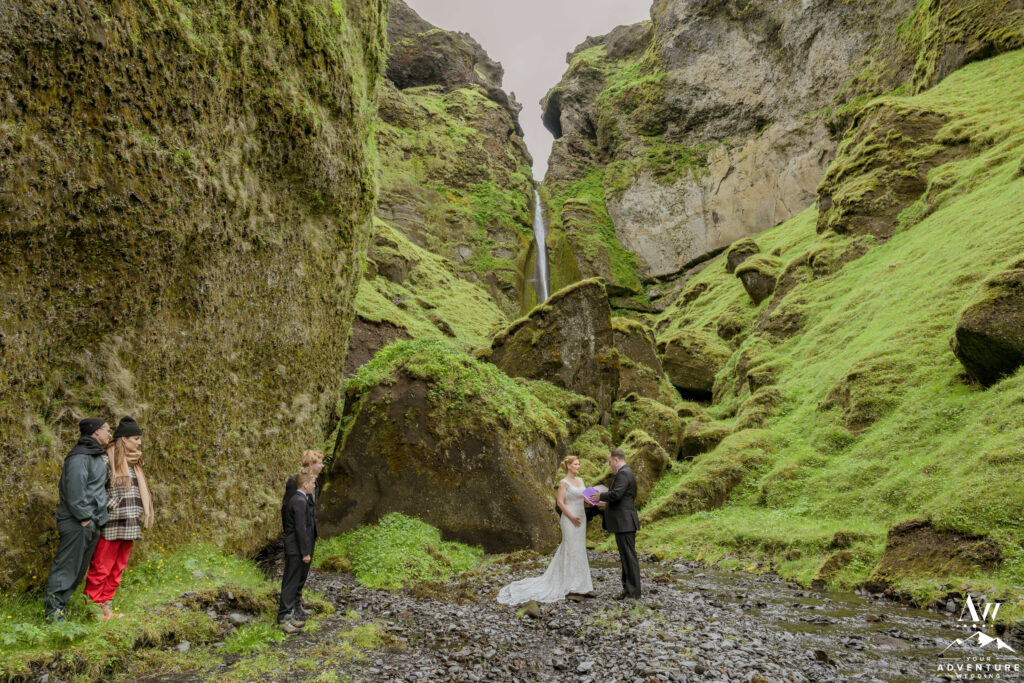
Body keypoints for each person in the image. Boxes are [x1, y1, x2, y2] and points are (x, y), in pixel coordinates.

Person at [497, 456, 594, 605]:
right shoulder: (564, 483)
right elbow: (560, 503)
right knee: (570, 548)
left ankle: (583, 585)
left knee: (579, 549)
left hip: (581, 518)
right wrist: (572, 517)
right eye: (576, 464)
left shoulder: (580, 481)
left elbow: (587, 498)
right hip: (569, 519)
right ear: (568, 466)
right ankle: (570, 585)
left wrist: (601, 501)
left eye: (579, 464)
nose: (578, 466)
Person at [84, 416, 154, 621]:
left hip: (130, 521)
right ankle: (91, 610)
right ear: (123, 439)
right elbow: (94, 490)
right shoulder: (107, 459)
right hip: (112, 521)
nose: (139, 442)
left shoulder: (135, 462)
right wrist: (113, 504)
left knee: (117, 568)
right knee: (101, 567)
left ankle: (107, 607)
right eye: (135, 438)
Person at [43, 418, 112, 622]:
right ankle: (53, 615)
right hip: (78, 522)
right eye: (107, 431)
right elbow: (74, 491)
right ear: (96, 432)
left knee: (78, 569)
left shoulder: (95, 456)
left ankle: (60, 608)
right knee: (66, 567)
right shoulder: (79, 457)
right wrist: (84, 518)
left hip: (91, 522)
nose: (110, 434)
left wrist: (95, 520)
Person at [589, 449, 641, 599]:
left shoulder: (624, 473)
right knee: (625, 557)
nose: (610, 465)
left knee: (629, 557)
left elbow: (616, 494)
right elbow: (621, 498)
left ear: (616, 460)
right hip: (623, 522)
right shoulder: (625, 473)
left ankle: (633, 592)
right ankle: (628, 589)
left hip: (625, 522)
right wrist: (602, 502)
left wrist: (599, 495)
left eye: (610, 462)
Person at [280, 449, 322, 619]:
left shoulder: (315, 483)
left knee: (304, 572)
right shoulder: (294, 482)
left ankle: (297, 605)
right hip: (297, 534)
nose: (322, 465)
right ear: (311, 464)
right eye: (319, 462)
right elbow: (288, 509)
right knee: (295, 572)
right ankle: (289, 610)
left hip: (310, 533)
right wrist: (290, 534)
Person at [278, 472, 317, 633]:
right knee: (291, 582)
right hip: (295, 548)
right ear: (305, 485)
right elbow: (301, 529)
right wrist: (305, 552)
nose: (314, 485)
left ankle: (290, 615)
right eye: (313, 483)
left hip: (294, 547)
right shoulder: (300, 501)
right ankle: (284, 618)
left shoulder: (298, 499)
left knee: (292, 582)